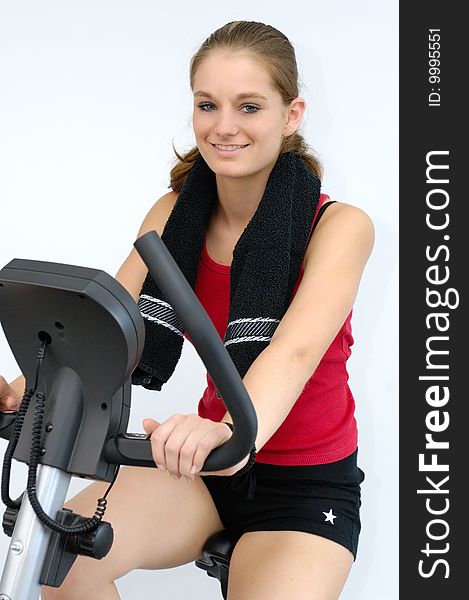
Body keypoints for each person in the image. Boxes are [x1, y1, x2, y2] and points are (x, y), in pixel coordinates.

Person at [0, 20, 374, 600]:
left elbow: (295, 351)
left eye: (249, 106)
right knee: (60, 557)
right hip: (202, 473)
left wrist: (232, 432)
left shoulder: (340, 226)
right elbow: (107, 325)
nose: (224, 127)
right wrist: (33, 388)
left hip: (304, 486)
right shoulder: (173, 214)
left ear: (292, 114)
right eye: (208, 104)